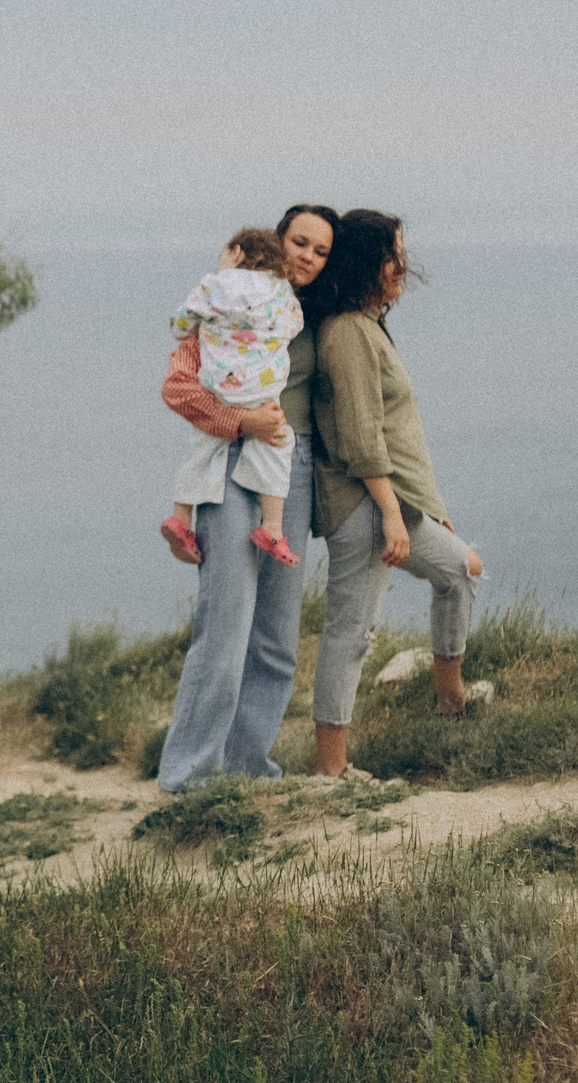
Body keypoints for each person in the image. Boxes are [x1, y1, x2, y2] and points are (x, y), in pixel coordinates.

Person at [152, 204, 338, 791]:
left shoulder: (313, 313)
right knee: (226, 630)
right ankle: (189, 778)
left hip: (294, 472)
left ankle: (248, 770)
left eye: (321, 250)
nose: (308, 256)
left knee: (278, 638)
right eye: (299, 242)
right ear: (277, 241)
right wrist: (241, 426)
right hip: (234, 462)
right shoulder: (229, 304)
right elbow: (178, 387)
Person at [305, 209, 483, 781]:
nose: (402, 266)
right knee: (351, 632)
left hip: (395, 504)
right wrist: (392, 515)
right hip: (364, 507)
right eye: (393, 255)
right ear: (367, 263)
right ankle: (332, 771)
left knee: (460, 571)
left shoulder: (367, 324)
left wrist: (428, 513)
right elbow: (361, 438)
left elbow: (396, 436)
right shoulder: (348, 334)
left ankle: (450, 703)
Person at [162, 227, 305, 568]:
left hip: (219, 386)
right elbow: (293, 326)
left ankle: (181, 516)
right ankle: (272, 527)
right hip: (260, 390)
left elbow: (180, 325)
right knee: (277, 446)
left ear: (235, 253)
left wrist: (218, 276)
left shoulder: (214, 285)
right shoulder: (281, 291)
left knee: (201, 448)